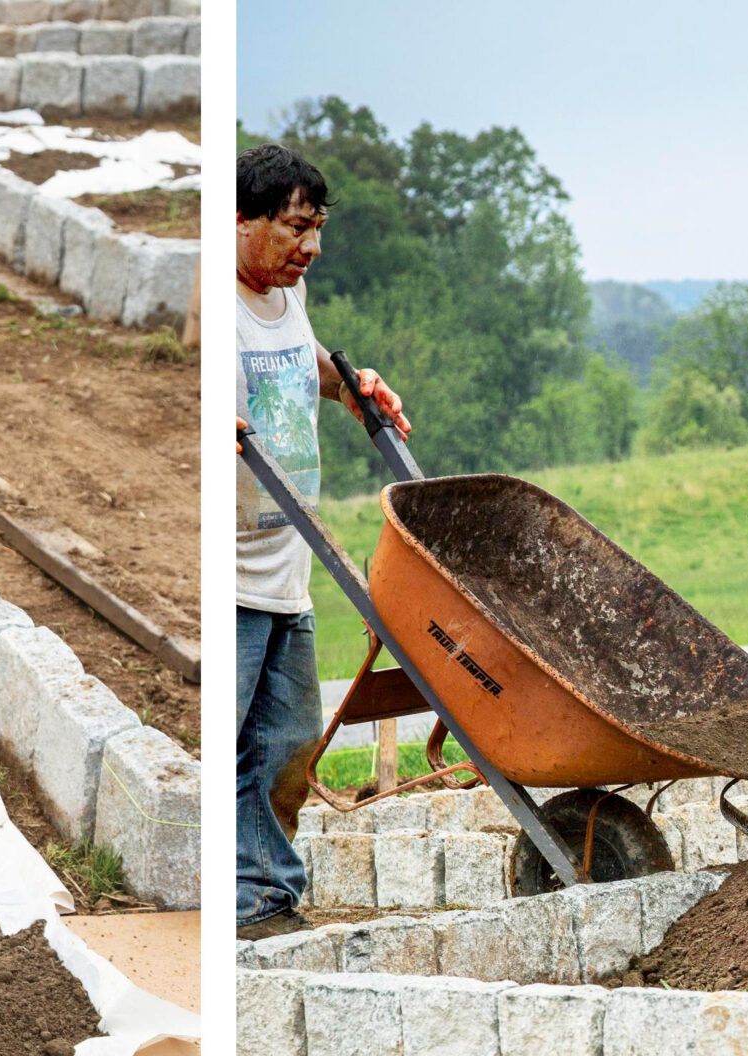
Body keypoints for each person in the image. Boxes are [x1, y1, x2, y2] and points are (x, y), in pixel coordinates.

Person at [233, 142, 409, 936]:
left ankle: (268, 896)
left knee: (291, 743)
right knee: (235, 744)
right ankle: (246, 901)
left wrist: (356, 385)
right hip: (231, 569)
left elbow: (309, 367)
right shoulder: (221, 309)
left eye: (318, 228)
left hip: (288, 561)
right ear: (242, 222)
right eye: (294, 227)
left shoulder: (284, 299)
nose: (310, 247)